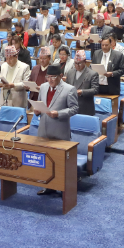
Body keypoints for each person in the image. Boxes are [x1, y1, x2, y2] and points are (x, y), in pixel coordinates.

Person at [34, 63, 79, 196]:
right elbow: (40, 104)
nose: (50, 80)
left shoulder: (69, 89)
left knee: (60, 161)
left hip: (59, 130)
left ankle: (63, 188)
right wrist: (36, 111)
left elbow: (74, 109)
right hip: (43, 129)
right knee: (45, 160)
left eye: (53, 77)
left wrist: (58, 113)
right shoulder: (43, 87)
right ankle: (48, 185)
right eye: (48, 77)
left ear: (60, 76)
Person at [64, 50, 99, 116]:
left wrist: (82, 92)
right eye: (75, 63)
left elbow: (95, 90)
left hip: (85, 107)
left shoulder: (92, 74)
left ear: (85, 62)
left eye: (79, 63)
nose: (77, 65)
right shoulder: (70, 72)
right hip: (71, 106)